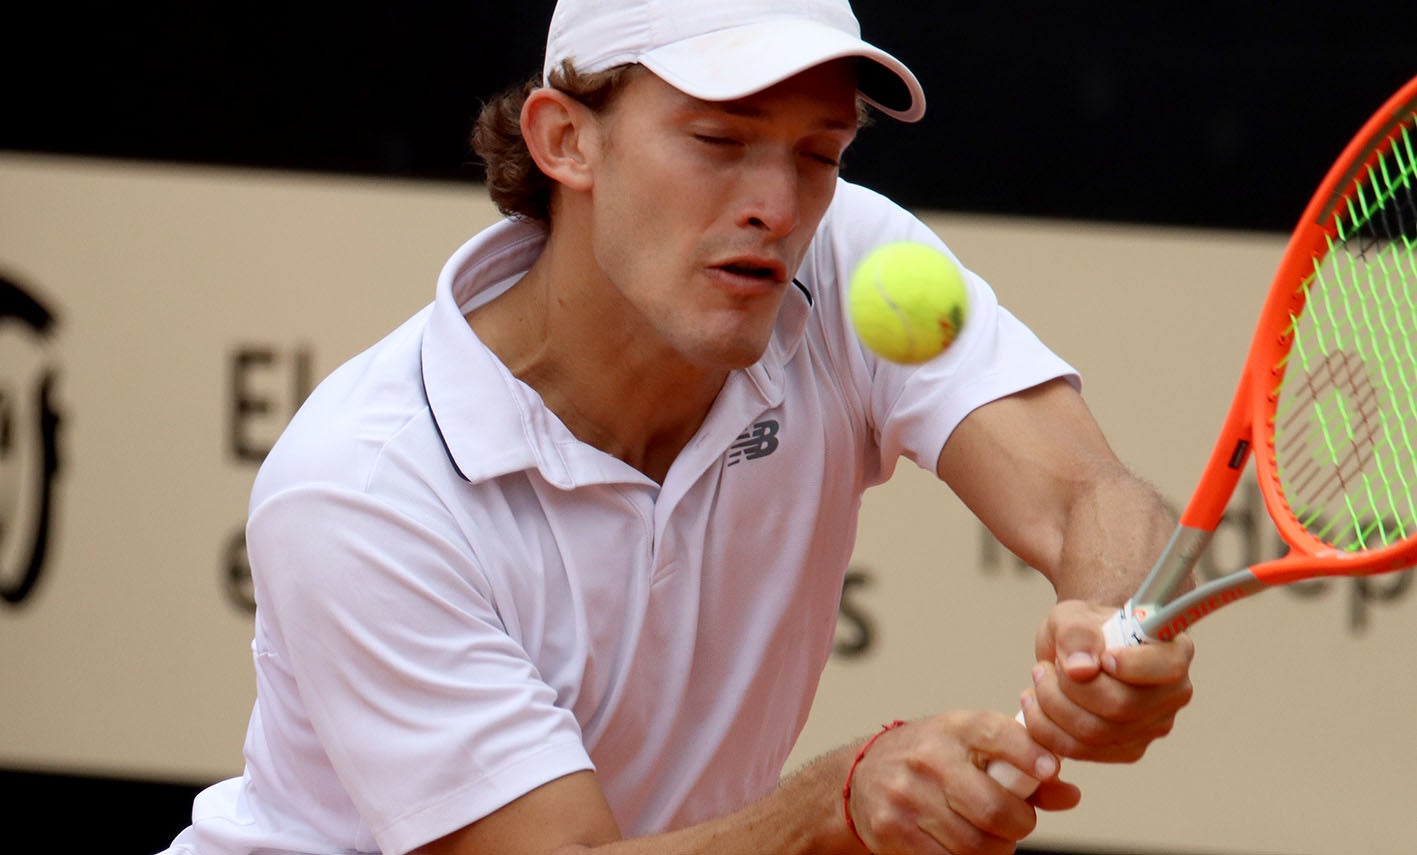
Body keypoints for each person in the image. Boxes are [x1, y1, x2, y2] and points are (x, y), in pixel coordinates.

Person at [160, 1, 1195, 853]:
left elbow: (1084, 492)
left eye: (818, 153)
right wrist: (832, 807)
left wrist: (1114, 625)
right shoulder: (364, 485)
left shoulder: (850, 262)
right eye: (718, 141)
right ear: (565, 140)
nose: (778, 206)